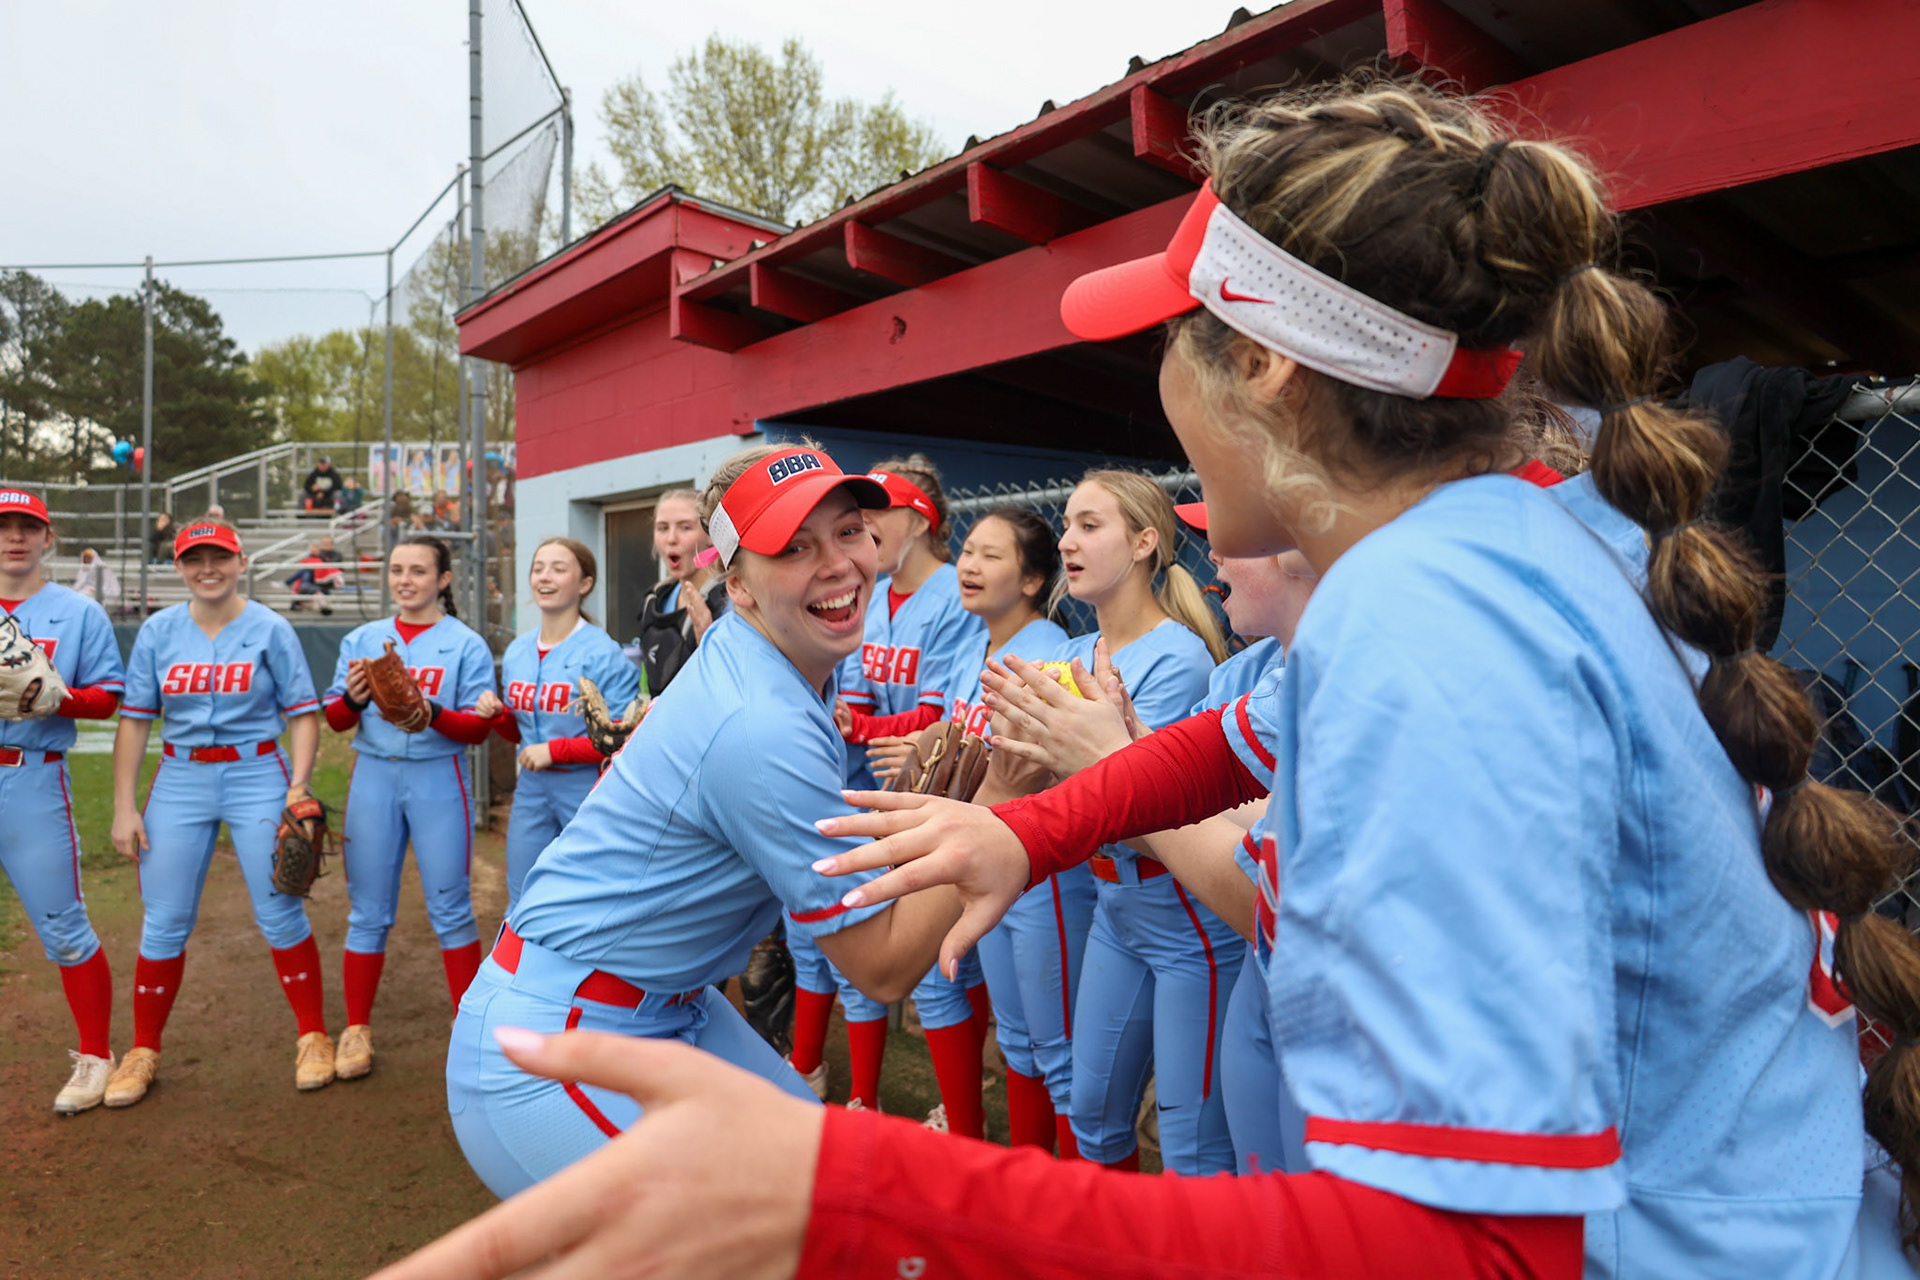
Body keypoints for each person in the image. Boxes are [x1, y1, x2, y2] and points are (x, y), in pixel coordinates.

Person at [375, 78, 1917, 1280]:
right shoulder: (1529, 523)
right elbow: (1242, 729)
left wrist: (859, 1189)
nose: (1155, 380)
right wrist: (1024, 832)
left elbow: (1477, 1253)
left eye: (1172, 338)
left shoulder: (1425, 611)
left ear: (1270, 375)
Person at [439, 443, 982, 1199]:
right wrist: (991, 816)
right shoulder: (761, 721)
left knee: (833, 1187)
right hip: (551, 1049)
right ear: (740, 586)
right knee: (767, 1238)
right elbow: (882, 966)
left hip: (659, 1006)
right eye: (793, 547)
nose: (836, 564)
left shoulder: (774, 653)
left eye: (849, 531)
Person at [791, 458, 992, 1132]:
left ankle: (962, 1119)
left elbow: (936, 720)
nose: (866, 528)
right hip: (873, 793)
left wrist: (871, 725)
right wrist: (858, 720)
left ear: (919, 519)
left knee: (947, 968)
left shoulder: (948, 598)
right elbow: (857, 693)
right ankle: (856, 1094)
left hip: (942, 802)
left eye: (877, 515)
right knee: (844, 945)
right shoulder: (871, 592)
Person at [105, 520, 331, 1107]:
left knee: (279, 909)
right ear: (178, 567)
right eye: (194, 558)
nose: (208, 568)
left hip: (257, 770)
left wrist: (298, 785)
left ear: (241, 561)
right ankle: (143, 1049)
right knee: (164, 918)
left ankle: (313, 1036)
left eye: (220, 557)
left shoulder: (271, 627)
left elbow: (304, 712)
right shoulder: (158, 631)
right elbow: (134, 720)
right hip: (180, 775)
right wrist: (124, 806)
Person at [323, 536, 499, 1082]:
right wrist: (352, 699)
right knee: (367, 911)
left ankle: (467, 1027)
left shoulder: (464, 643)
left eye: (419, 571)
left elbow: (476, 727)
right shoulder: (363, 638)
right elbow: (335, 720)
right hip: (373, 776)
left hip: (436, 775)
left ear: (443, 579)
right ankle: (356, 1028)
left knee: (451, 909)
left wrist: (432, 712)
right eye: (397, 569)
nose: (405, 580)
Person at [944, 506, 1088, 1155]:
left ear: (1032, 581)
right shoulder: (977, 645)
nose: (969, 565)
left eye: (990, 555)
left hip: (1039, 868)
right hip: (989, 851)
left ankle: (1068, 1209)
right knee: (1021, 1045)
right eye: (967, 550)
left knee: (1057, 1054)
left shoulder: (1049, 653)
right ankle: (1025, 1184)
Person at [0, 488, 126, 1114]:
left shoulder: (78, 613)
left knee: (63, 925)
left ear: (48, 538)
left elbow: (108, 697)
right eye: (4, 527)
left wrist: (58, 696)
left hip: (32, 775)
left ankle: (95, 1056)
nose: (14, 538)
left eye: (28, 527)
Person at [475, 537, 640, 910]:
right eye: (538, 568)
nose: (545, 577)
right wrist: (499, 715)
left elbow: (621, 739)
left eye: (558, 568)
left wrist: (554, 750)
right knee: (523, 898)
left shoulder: (602, 651)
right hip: (532, 790)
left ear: (584, 584)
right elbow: (520, 735)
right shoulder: (518, 650)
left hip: (588, 790)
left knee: (592, 898)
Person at [634, 488, 726, 696]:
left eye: (685, 527)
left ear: (710, 535)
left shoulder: (729, 601)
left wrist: (708, 644)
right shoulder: (655, 600)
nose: (671, 539)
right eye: (662, 528)